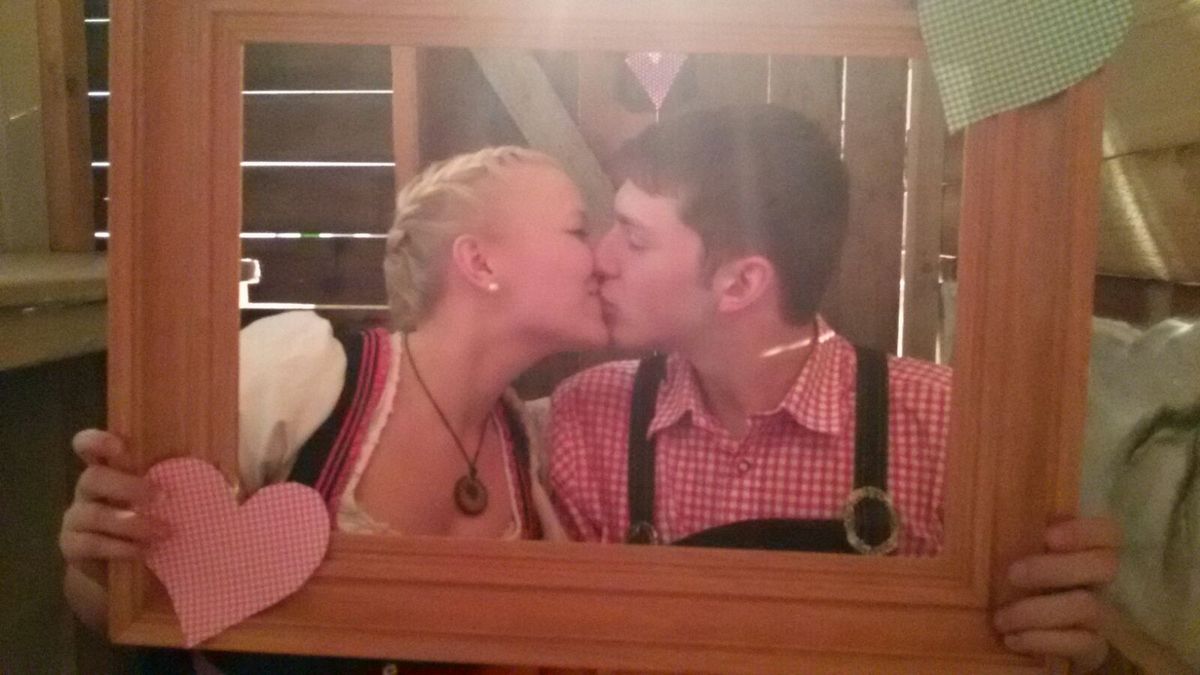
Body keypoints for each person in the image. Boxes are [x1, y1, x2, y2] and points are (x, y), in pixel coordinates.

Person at [546, 104, 1123, 670]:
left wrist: (1081, 656)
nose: (599, 257)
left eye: (634, 238)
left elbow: (1042, 634)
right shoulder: (590, 418)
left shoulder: (948, 427)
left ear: (741, 283)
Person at [59, 146, 606, 672]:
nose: (602, 258)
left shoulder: (524, 447)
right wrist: (101, 564)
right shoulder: (298, 374)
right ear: (479, 261)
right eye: (579, 231)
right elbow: (116, 607)